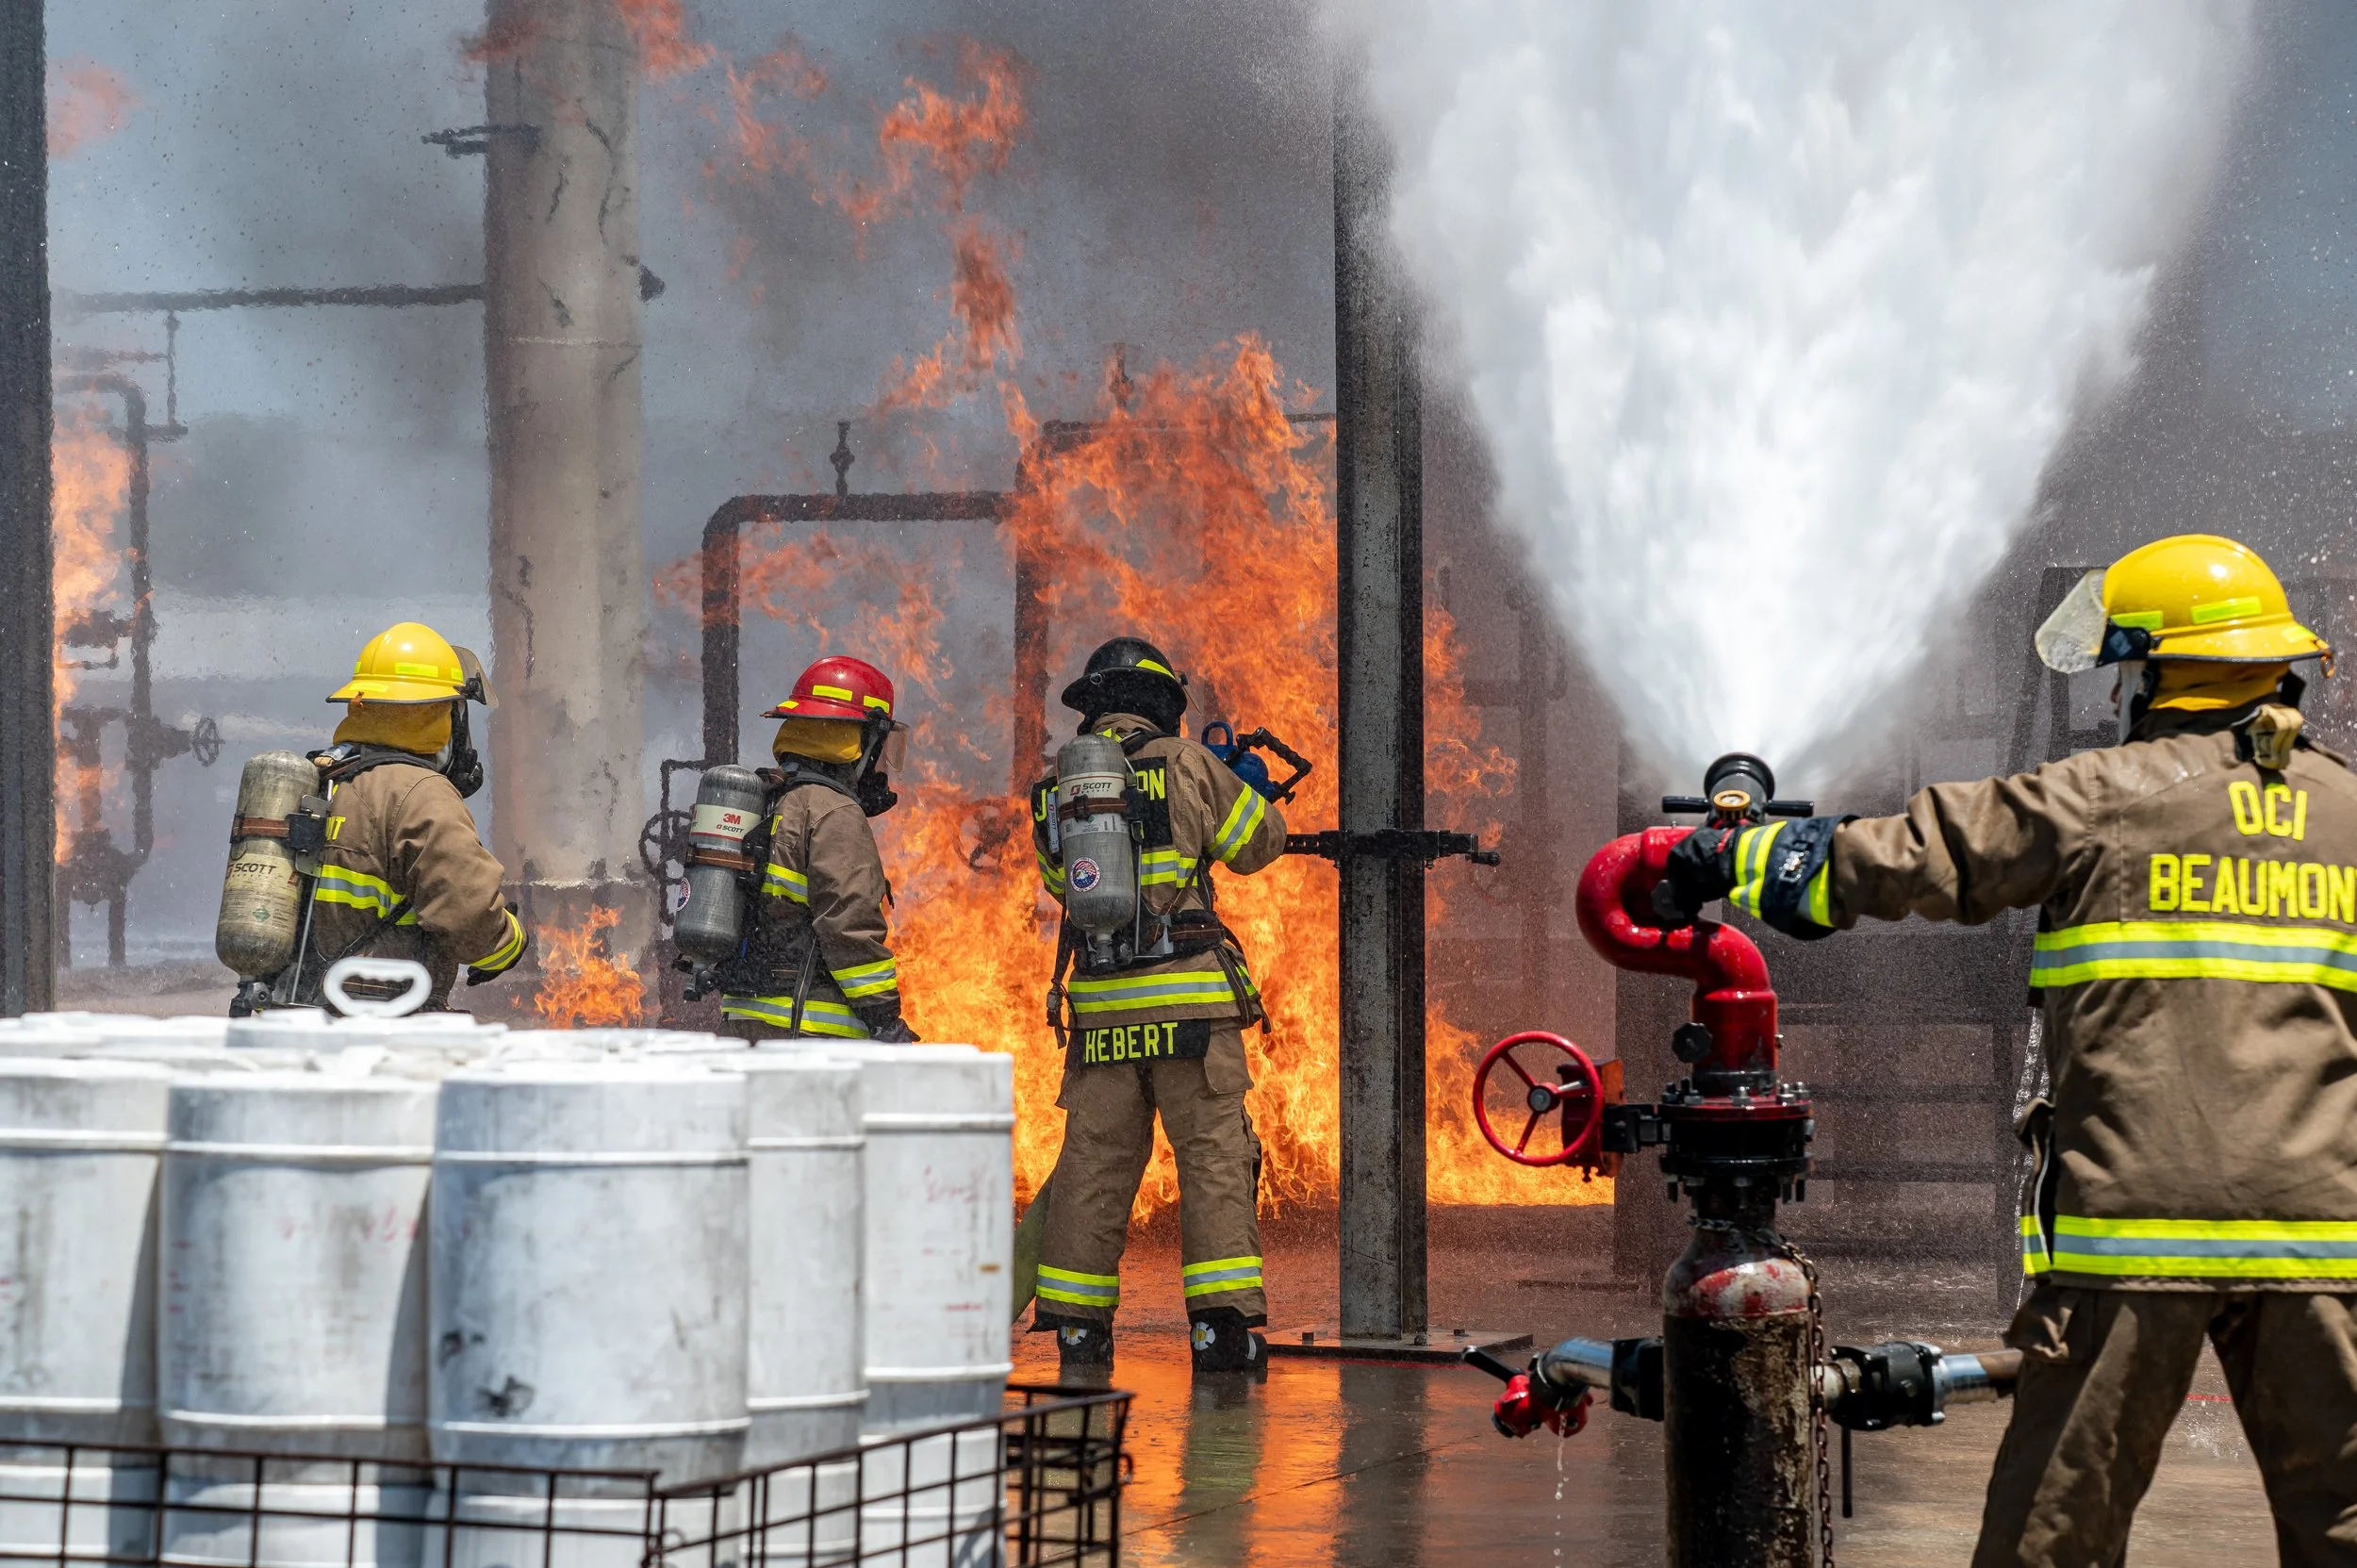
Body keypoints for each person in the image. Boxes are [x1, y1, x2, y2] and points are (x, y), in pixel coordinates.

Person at [1663, 535, 2357, 1564]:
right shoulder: (2344, 810)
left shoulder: (2106, 794)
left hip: (2135, 1237)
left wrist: (1746, 854)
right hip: (2320, 1241)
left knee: (2051, 1536)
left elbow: (1924, 850)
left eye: (2127, 668)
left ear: (2157, 671)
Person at [1028, 636, 1288, 1377]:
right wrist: (1248, 784)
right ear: (1160, 705)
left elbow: (1062, 884)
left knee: (1094, 1164)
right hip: (1190, 1010)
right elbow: (1256, 844)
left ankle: (1078, 1330)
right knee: (1212, 1159)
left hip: (1102, 1010)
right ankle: (1220, 1332)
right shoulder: (1185, 763)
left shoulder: (1055, 790)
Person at [296, 620, 527, 1007]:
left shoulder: (319, 777)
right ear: (440, 714)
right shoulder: (420, 795)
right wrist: (509, 941)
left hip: (294, 1009)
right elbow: (472, 927)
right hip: (377, 1017)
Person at [717, 655, 915, 1043]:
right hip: (808, 1032)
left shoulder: (769, 800)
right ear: (861, 739)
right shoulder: (833, 812)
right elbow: (848, 924)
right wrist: (884, 1017)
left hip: (743, 1025)